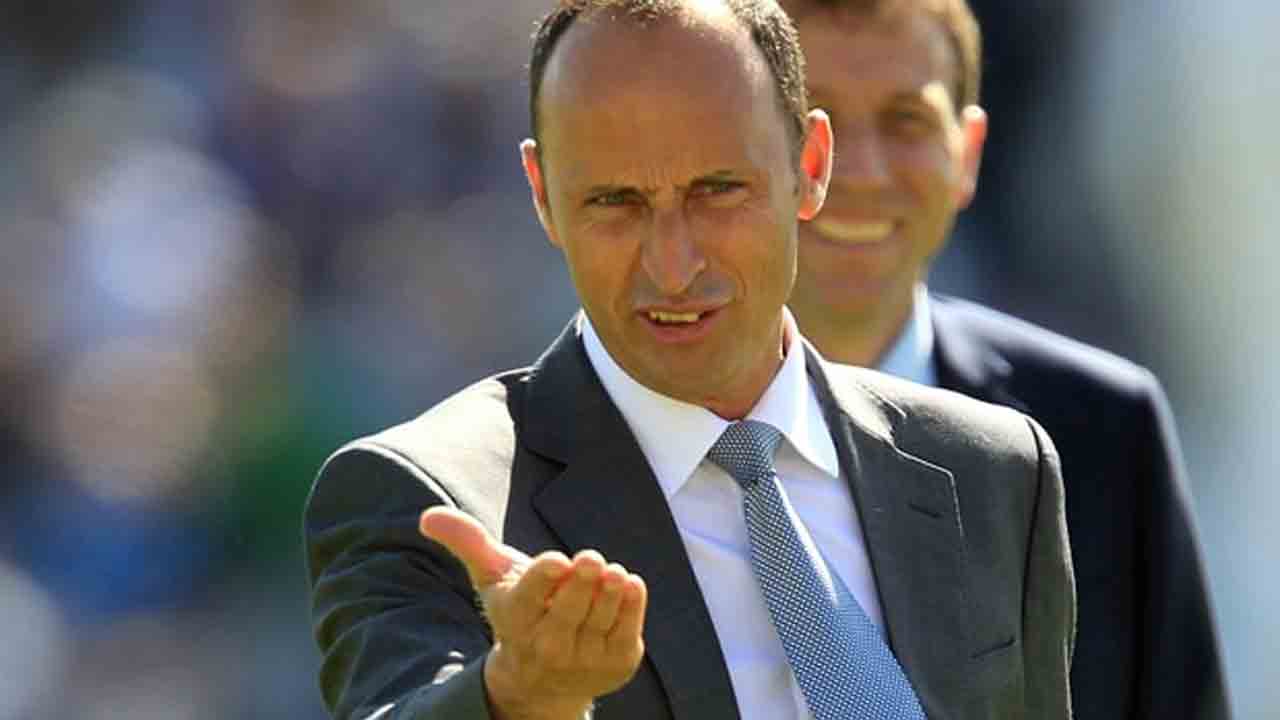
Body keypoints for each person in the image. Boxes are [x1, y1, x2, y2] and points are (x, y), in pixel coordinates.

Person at [304, 1, 1074, 718]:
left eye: (717, 191)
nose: (672, 266)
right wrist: (518, 698)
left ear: (811, 166)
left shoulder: (992, 469)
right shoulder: (428, 501)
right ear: (542, 194)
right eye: (616, 203)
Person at [778, 1, 1230, 718]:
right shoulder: (617, 428)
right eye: (814, 123)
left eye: (906, 121)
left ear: (967, 154)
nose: (857, 171)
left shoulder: (1108, 431)